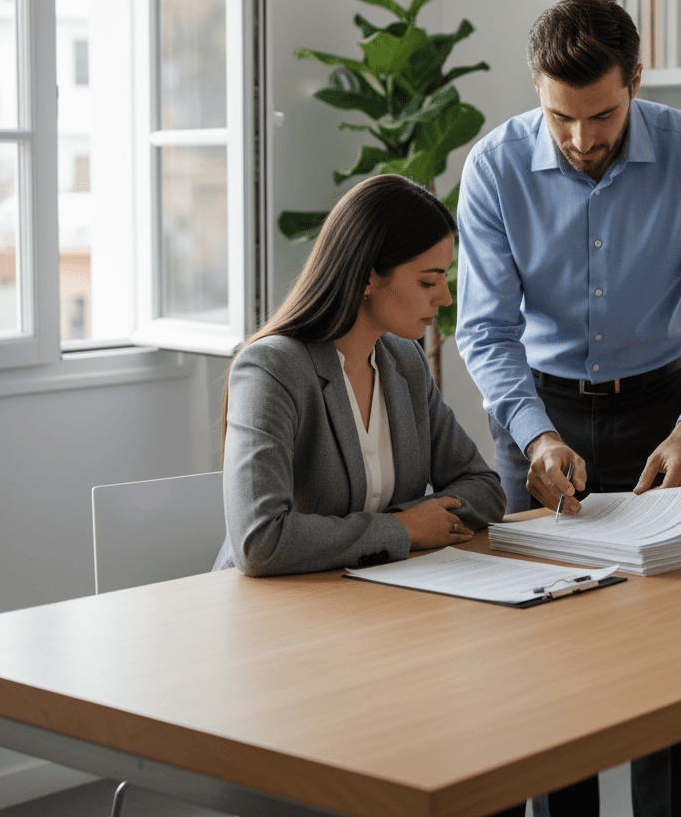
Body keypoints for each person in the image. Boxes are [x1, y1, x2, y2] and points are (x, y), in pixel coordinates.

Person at [455, 0, 681, 817]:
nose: (581, 138)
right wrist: (536, 438)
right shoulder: (493, 167)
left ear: (636, 79)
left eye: (601, 115)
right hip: (536, 417)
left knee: (667, 653)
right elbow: (485, 331)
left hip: (663, 415)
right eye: (561, 116)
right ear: (536, 86)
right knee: (551, 651)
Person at [213, 173, 505, 577]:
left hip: (373, 591)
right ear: (367, 276)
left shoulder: (405, 361)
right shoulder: (271, 369)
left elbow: (484, 489)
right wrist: (403, 528)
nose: (444, 296)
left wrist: (408, 524)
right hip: (273, 603)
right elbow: (261, 541)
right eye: (428, 281)